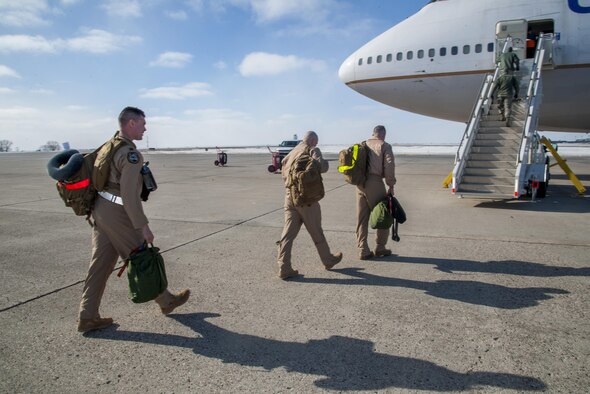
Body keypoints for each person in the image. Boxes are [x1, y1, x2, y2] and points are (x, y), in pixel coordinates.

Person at [78, 106, 190, 333]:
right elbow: (130, 196)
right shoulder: (130, 154)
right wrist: (143, 226)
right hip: (118, 213)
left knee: (100, 265)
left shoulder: (110, 146)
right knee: (141, 256)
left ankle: (87, 316)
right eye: (142, 124)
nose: (145, 128)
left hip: (101, 209)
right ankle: (166, 301)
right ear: (131, 123)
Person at [276, 131, 342, 279]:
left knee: (288, 234)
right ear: (312, 140)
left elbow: (283, 166)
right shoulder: (312, 149)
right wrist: (324, 162)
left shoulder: (294, 151)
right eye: (316, 142)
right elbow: (322, 167)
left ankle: (283, 267)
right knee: (316, 230)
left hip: (289, 196)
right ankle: (328, 259)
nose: (316, 145)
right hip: (305, 199)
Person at [356, 125, 396, 260]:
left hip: (360, 183)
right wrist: (390, 184)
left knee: (362, 218)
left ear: (373, 133)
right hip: (375, 181)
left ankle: (363, 249)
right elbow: (389, 166)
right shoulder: (384, 145)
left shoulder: (363, 144)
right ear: (383, 134)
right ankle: (380, 247)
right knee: (384, 214)